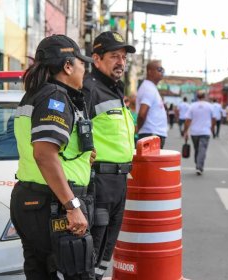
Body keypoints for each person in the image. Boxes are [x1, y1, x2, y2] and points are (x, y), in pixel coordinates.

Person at [10, 34, 95, 279]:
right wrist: (72, 205)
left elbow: (51, 150)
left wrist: (82, 158)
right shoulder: (55, 97)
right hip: (54, 203)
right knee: (76, 273)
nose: (84, 70)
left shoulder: (36, 94)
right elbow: (44, 155)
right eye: (82, 63)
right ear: (67, 66)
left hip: (35, 199)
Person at [81, 31, 136, 279]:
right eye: (114, 56)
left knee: (105, 252)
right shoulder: (89, 89)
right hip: (98, 184)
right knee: (91, 252)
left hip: (118, 183)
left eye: (123, 57)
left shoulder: (113, 90)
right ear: (96, 58)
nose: (121, 62)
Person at [136, 60, 168, 148]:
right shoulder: (148, 88)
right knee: (151, 162)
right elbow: (142, 114)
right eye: (159, 69)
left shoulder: (151, 87)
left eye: (163, 70)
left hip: (153, 134)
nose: (162, 72)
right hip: (151, 135)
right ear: (149, 72)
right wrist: (138, 129)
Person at [183, 93, 217, 175]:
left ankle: (198, 165)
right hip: (205, 131)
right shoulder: (209, 106)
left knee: (197, 149)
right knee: (202, 149)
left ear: (197, 97)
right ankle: (199, 165)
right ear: (204, 97)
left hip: (194, 132)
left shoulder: (192, 106)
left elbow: (187, 120)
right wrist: (212, 127)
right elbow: (214, 118)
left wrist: (185, 131)